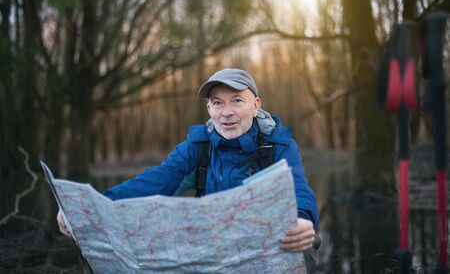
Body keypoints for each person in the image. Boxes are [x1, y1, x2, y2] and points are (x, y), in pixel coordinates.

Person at [57, 68, 319, 272]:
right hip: (214, 246)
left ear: (256, 104)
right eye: (217, 103)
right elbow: (156, 181)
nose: (226, 112)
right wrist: (86, 208)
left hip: (265, 244)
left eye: (237, 100)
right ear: (209, 109)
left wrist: (304, 219)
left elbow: (298, 188)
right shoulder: (198, 145)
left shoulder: (278, 144)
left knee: (300, 243)